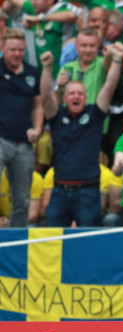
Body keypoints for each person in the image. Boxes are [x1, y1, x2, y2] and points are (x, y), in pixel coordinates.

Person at [39, 44, 123, 227]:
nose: (76, 96)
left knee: (87, 244)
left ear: (85, 97)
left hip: (88, 192)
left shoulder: (95, 115)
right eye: (71, 93)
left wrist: (116, 60)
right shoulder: (57, 116)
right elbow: (45, 95)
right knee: (53, 242)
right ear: (65, 98)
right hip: (59, 191)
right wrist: (47, 68)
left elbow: (109, 88)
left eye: (80, 93)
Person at [0, 29, 43, 227]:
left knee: (22, 199)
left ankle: (13, 241)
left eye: (21, 50)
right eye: (12, 50)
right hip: (1, 139)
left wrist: (38, 129)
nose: (17, 54)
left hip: (24, 143)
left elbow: (37, 104)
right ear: (2, 48)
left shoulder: (33, 72)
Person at [57, 28, 108, 105]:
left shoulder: (103, 63)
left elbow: (110, 62)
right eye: (83, 45)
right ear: (76, 47)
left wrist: (109, 55)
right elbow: (58, 103)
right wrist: (59, 88)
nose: (88, 50)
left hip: (96, 116)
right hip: (70, 116)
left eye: (92, 46)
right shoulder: (67, 68)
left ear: (98, 46)